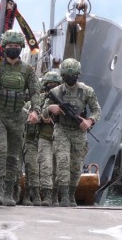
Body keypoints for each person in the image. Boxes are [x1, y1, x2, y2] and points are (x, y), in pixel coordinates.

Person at [0, 30, 41, 207]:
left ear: (21, 48)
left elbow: (35, 92)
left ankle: (8, 192)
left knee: (13, 156)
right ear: (3, 48)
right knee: (0, 151)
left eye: (17, 46)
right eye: (10, 46)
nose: (13, 49)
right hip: (0, 115)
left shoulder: (27, 70)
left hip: (18, 116)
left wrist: (35, 111)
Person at [42, 58, 101, 207]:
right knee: (62, 162)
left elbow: (96, 110)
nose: (70, 78)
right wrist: (51, 108)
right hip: (61, 130)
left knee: (76, 166)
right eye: (68, 75)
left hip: (78, 132)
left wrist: (89, 121)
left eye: (73, 74)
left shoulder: (86, 91)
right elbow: (43, 112)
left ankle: (71, 194)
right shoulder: (56, 92)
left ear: (78, 74)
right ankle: (63, 196)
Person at [37, 71, 63, 206]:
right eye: (49, 84)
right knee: (46, 166)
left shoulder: (64, 98)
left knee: (58, 168)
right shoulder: (41, 98)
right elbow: (33, 112)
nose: (52, 86)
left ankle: (55, 196)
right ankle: (46, 195)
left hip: (60, 138)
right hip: (44, 137)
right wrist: (43, 117)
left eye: (55, 84)